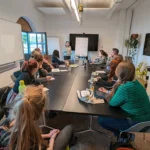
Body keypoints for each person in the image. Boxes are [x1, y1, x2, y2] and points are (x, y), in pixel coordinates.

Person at [1, 86, 73, 150]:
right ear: (42, 110)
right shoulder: (34, 145)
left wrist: (48, 135)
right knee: (69, 128)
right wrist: (52, 138)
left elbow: (28, 136)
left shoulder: (5, 131)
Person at [98, 61, 150, 136]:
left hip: (137, 121)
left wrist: (106, 94)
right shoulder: (136, 82)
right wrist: (107, 91)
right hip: (146, 119)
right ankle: (123, 135)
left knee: (101, 119)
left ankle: (122, 135)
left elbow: (112, 103)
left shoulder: (125, 87)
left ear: (119, 73)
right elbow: (123, 96)